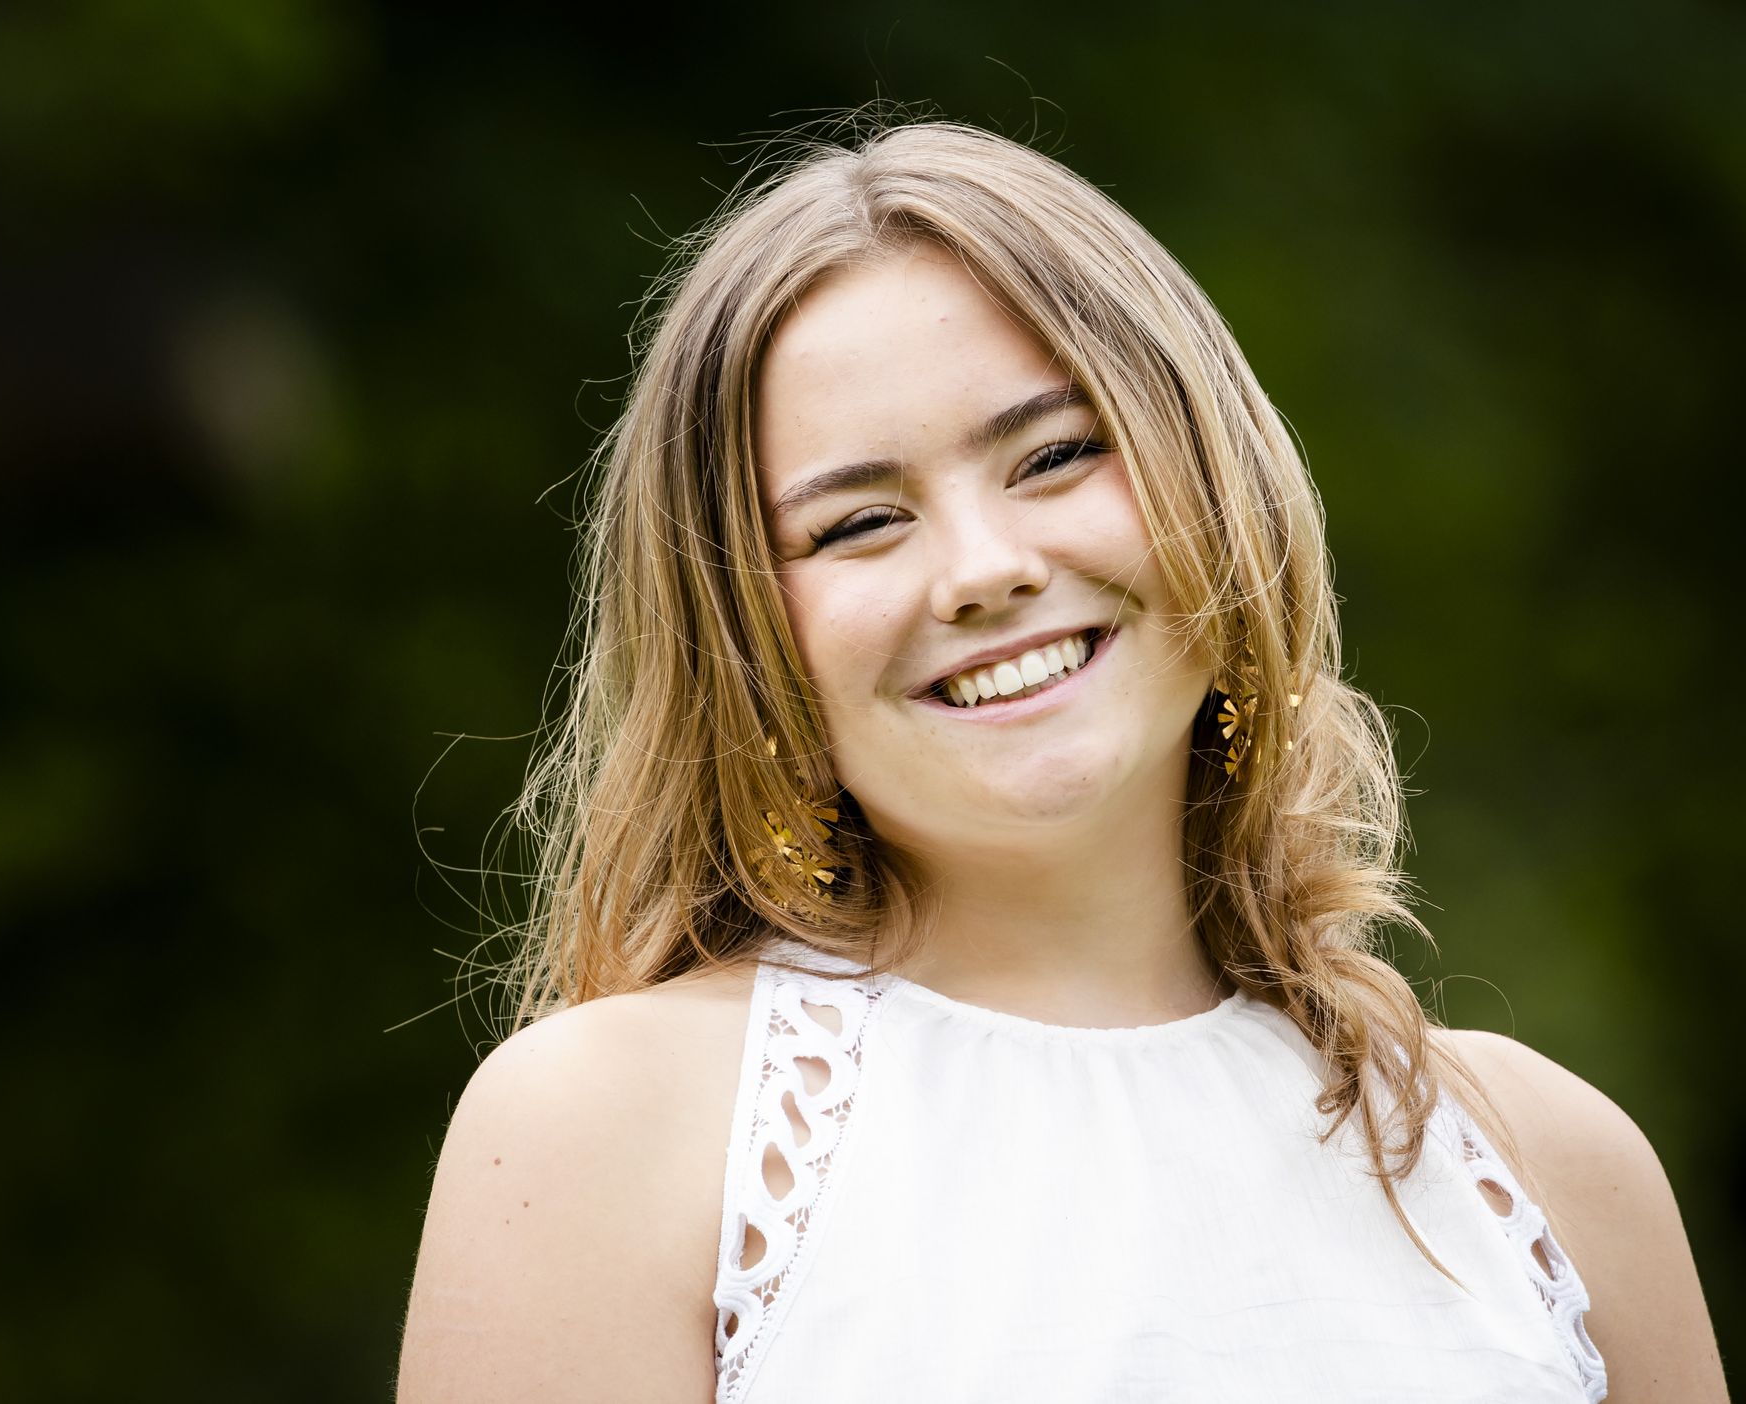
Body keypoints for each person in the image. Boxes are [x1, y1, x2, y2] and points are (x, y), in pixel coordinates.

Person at [395, 117, 1725, 1402]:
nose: (984, 570)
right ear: (744, 640)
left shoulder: (1555, 1170)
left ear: (1215, 479)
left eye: (1054, 455)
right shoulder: (605, 1139)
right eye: (861, 522)